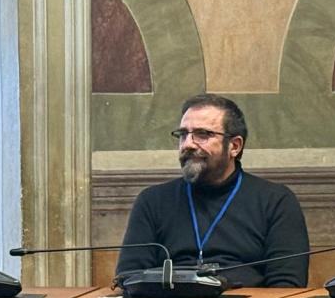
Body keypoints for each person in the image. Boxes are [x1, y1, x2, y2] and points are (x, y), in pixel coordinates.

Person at [116, 94, 310, 287]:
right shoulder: (153, 201)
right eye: (183, 134)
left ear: (234, 146)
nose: (188, 144)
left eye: (203, 134)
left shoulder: (275, 201)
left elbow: (286, 285)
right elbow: (129, 278)